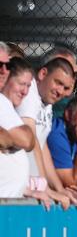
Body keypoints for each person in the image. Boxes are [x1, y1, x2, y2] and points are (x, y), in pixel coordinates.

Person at [16, 57, 77, 208]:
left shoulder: (47, 101)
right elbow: (32, 140)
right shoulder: (29, 92)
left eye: (65, 88)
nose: (60, 91)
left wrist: (59, 189)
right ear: (43, 74)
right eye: (58, 83)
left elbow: (42, 147)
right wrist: (45, 187)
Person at [0, 59, 36, 199]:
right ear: (7, 79)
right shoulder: (2, 102)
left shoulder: (9, 107)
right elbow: (27, 140)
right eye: (21, 84)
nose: (25, 91)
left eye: (28, 86)